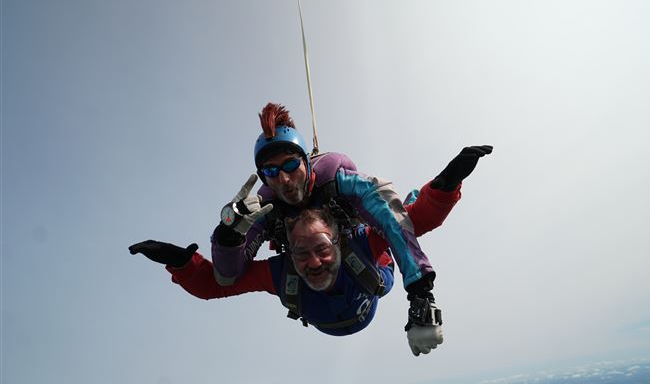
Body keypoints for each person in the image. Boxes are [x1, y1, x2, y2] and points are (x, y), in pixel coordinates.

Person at [211, 102, 492, 345]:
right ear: (262, 177)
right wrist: (229, 234)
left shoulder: (338, 180)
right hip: (315, 295)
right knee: (303, 263)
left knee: (390, 225)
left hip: (367, 265)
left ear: (306, 162)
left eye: (290, 165)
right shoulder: (264, 209)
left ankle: (413, 198)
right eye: (271, 171)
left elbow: (392, 219)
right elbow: (228, 277)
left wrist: (421, 294)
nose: (283, 179)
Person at [130, 196, 453, 355]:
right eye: (301, 253)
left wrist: (443, 189)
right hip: (339, 308)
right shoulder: (280, 272)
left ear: (336, 241)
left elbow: (414, 221)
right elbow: (214, 286)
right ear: (288, 253)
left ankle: (406, 200)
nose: (314, 262)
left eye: (321, 248)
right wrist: (180, 261)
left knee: (385, 254)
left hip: (372, 277)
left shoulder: (358, 244)